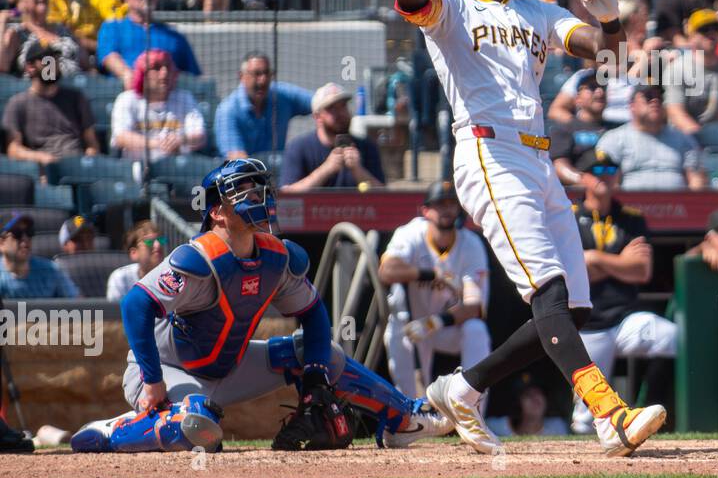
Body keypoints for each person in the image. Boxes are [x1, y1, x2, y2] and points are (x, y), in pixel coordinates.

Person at [375, 0, 669, 456]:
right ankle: (609, 413)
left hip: (536, 159)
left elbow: (609, 55)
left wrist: (609, 17)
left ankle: (462, 388)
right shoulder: (452, 5)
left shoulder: (536, 10)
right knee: (549, 291)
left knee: (573, 309)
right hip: (488, 154)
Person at [69, 158, 450, 453]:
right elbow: (136, 304)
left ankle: (404, 418)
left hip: (228, 369)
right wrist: (152, 380)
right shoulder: (199, 259)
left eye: (260, 191)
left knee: (323, 354)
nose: (259, 199)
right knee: (199, 428)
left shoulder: (277, 257)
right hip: (167, 371)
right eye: (245, 193)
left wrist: (315, 377)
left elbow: (314, 314)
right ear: (217, 211)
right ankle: (114, 432)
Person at [568, 149, 676, 433]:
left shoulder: (631, 218)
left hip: (624, 317)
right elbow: (575, 271)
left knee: (671, 337)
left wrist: (595, 258)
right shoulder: (568, 216)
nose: (605, 177)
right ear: (583, 178)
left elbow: (642, 271)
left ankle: (650, 412)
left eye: (610, 171)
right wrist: (620, 262)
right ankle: (579, 461)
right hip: (587, 323)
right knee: (585, 416)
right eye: (597, 172)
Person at [379, 182, 491, 400]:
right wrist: (432, 274)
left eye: (451, 204)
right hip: (411, 325)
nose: (447, 210)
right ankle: (410, 414)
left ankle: (473, 410)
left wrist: (435, 322)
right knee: (397, 326)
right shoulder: (411, 233)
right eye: (440, 204)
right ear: (426, 211)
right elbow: (386, 271)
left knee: (476, 330)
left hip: (446, 325)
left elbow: (475, 307)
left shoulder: (471, 244)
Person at [97, 0, 202, 86]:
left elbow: (195, 77)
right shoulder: (113, 27)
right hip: (127, 94)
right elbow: (108, 56)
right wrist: (127, 75)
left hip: (168, 97)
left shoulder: (173, 35)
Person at [2, 42, 98, 167]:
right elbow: (13, 149)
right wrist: (41, 158)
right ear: (30, 67)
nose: (53, 65)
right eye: (47, 61)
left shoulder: (76, 98)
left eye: (55, 59)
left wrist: (88, 162)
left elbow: (92, 144)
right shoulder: (18, 103)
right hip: (43, 169)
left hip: (76, 166)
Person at [279, 82, 386, 192]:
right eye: (332, 108)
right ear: (317, 117)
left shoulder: (366, 147)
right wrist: (326, 169)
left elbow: (385, 198)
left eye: (343, 106)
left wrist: (358, 170)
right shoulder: (299, 148)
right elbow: (287, 194)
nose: (340, 113)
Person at [597, 84, 707, 190]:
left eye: (659, 97)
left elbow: (696, 180)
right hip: (632, 206)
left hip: (677, 207)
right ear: (632, 105)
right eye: (648, 96)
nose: (655, 101)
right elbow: (608, 183)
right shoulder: (614, 139)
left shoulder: (683, 139)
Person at [663, 9, 718, 136]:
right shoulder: (677, 69)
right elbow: (676, 112)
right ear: (691, 36)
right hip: (687, 138)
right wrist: (700, 137)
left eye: (716, 28)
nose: (711, 34)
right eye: (704, 30)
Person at [109, 49, 207, 161]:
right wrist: (157, 144)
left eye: (168, 67)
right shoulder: (127, 99)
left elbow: (200, 136)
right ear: (142, 73)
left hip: (178, 167)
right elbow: (121, 137)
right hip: (137, 168)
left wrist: (180, 139)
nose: (164, 73)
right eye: (156, 68)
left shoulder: (184, 97)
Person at [213, 52, 314, 159]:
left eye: (267, 73)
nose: (263, 80)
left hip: (277, 171)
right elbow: (236, 159)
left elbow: (317, 101)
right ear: (242, 76)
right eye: (257, 74)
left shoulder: (281, 95)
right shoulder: (228, 110)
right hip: (243, 174)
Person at [0, 0, 85, 76]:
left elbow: (86, 63)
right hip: (35, 88)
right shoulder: (16, 32)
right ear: (21, 2)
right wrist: (2, 21)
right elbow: (2, 67)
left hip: (73, 87)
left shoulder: (62, 29)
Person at [0, 211, 79, 298]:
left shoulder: (51, 270)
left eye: (29, 232)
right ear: (1, 243)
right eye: (17, 233)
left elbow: (78, 304)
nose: (25, 238)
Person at [549, 71, 607, 186]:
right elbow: (559, 166)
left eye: (603, 87)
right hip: (579, 197)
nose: (600, 91)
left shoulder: (616, 129)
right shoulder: (564, 129)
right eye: (592, 87)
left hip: (618, 192)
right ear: (577, 98)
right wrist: (587, 182)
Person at [105, 220, 167, 302]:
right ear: (134, 253)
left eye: (161, 240)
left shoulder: (172, 277)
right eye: (149, 242)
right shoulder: (121, 278)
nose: (158, 245)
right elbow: (115, 313)